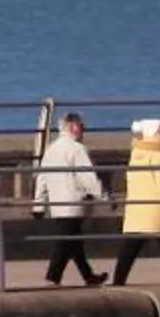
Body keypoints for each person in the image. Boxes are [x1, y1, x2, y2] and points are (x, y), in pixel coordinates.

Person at [30, 112, 107, 287]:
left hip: (58, 204)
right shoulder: (77, 149)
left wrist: (38, 205)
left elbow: (42, 179)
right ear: (72, 127)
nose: (84, 130)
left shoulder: (51, 149)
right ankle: (52, 278)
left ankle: (88, 276)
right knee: (66, 242)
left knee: (73, 241)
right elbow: (88, 177)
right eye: (81, 126)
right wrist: (104, 196)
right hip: (74, 203)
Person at [114, 118, 160, 285]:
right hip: (155, 211)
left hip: (136, 211)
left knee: (129, 251)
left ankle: (118, 281)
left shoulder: (136, 153)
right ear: (154, 134)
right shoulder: (159, 156)